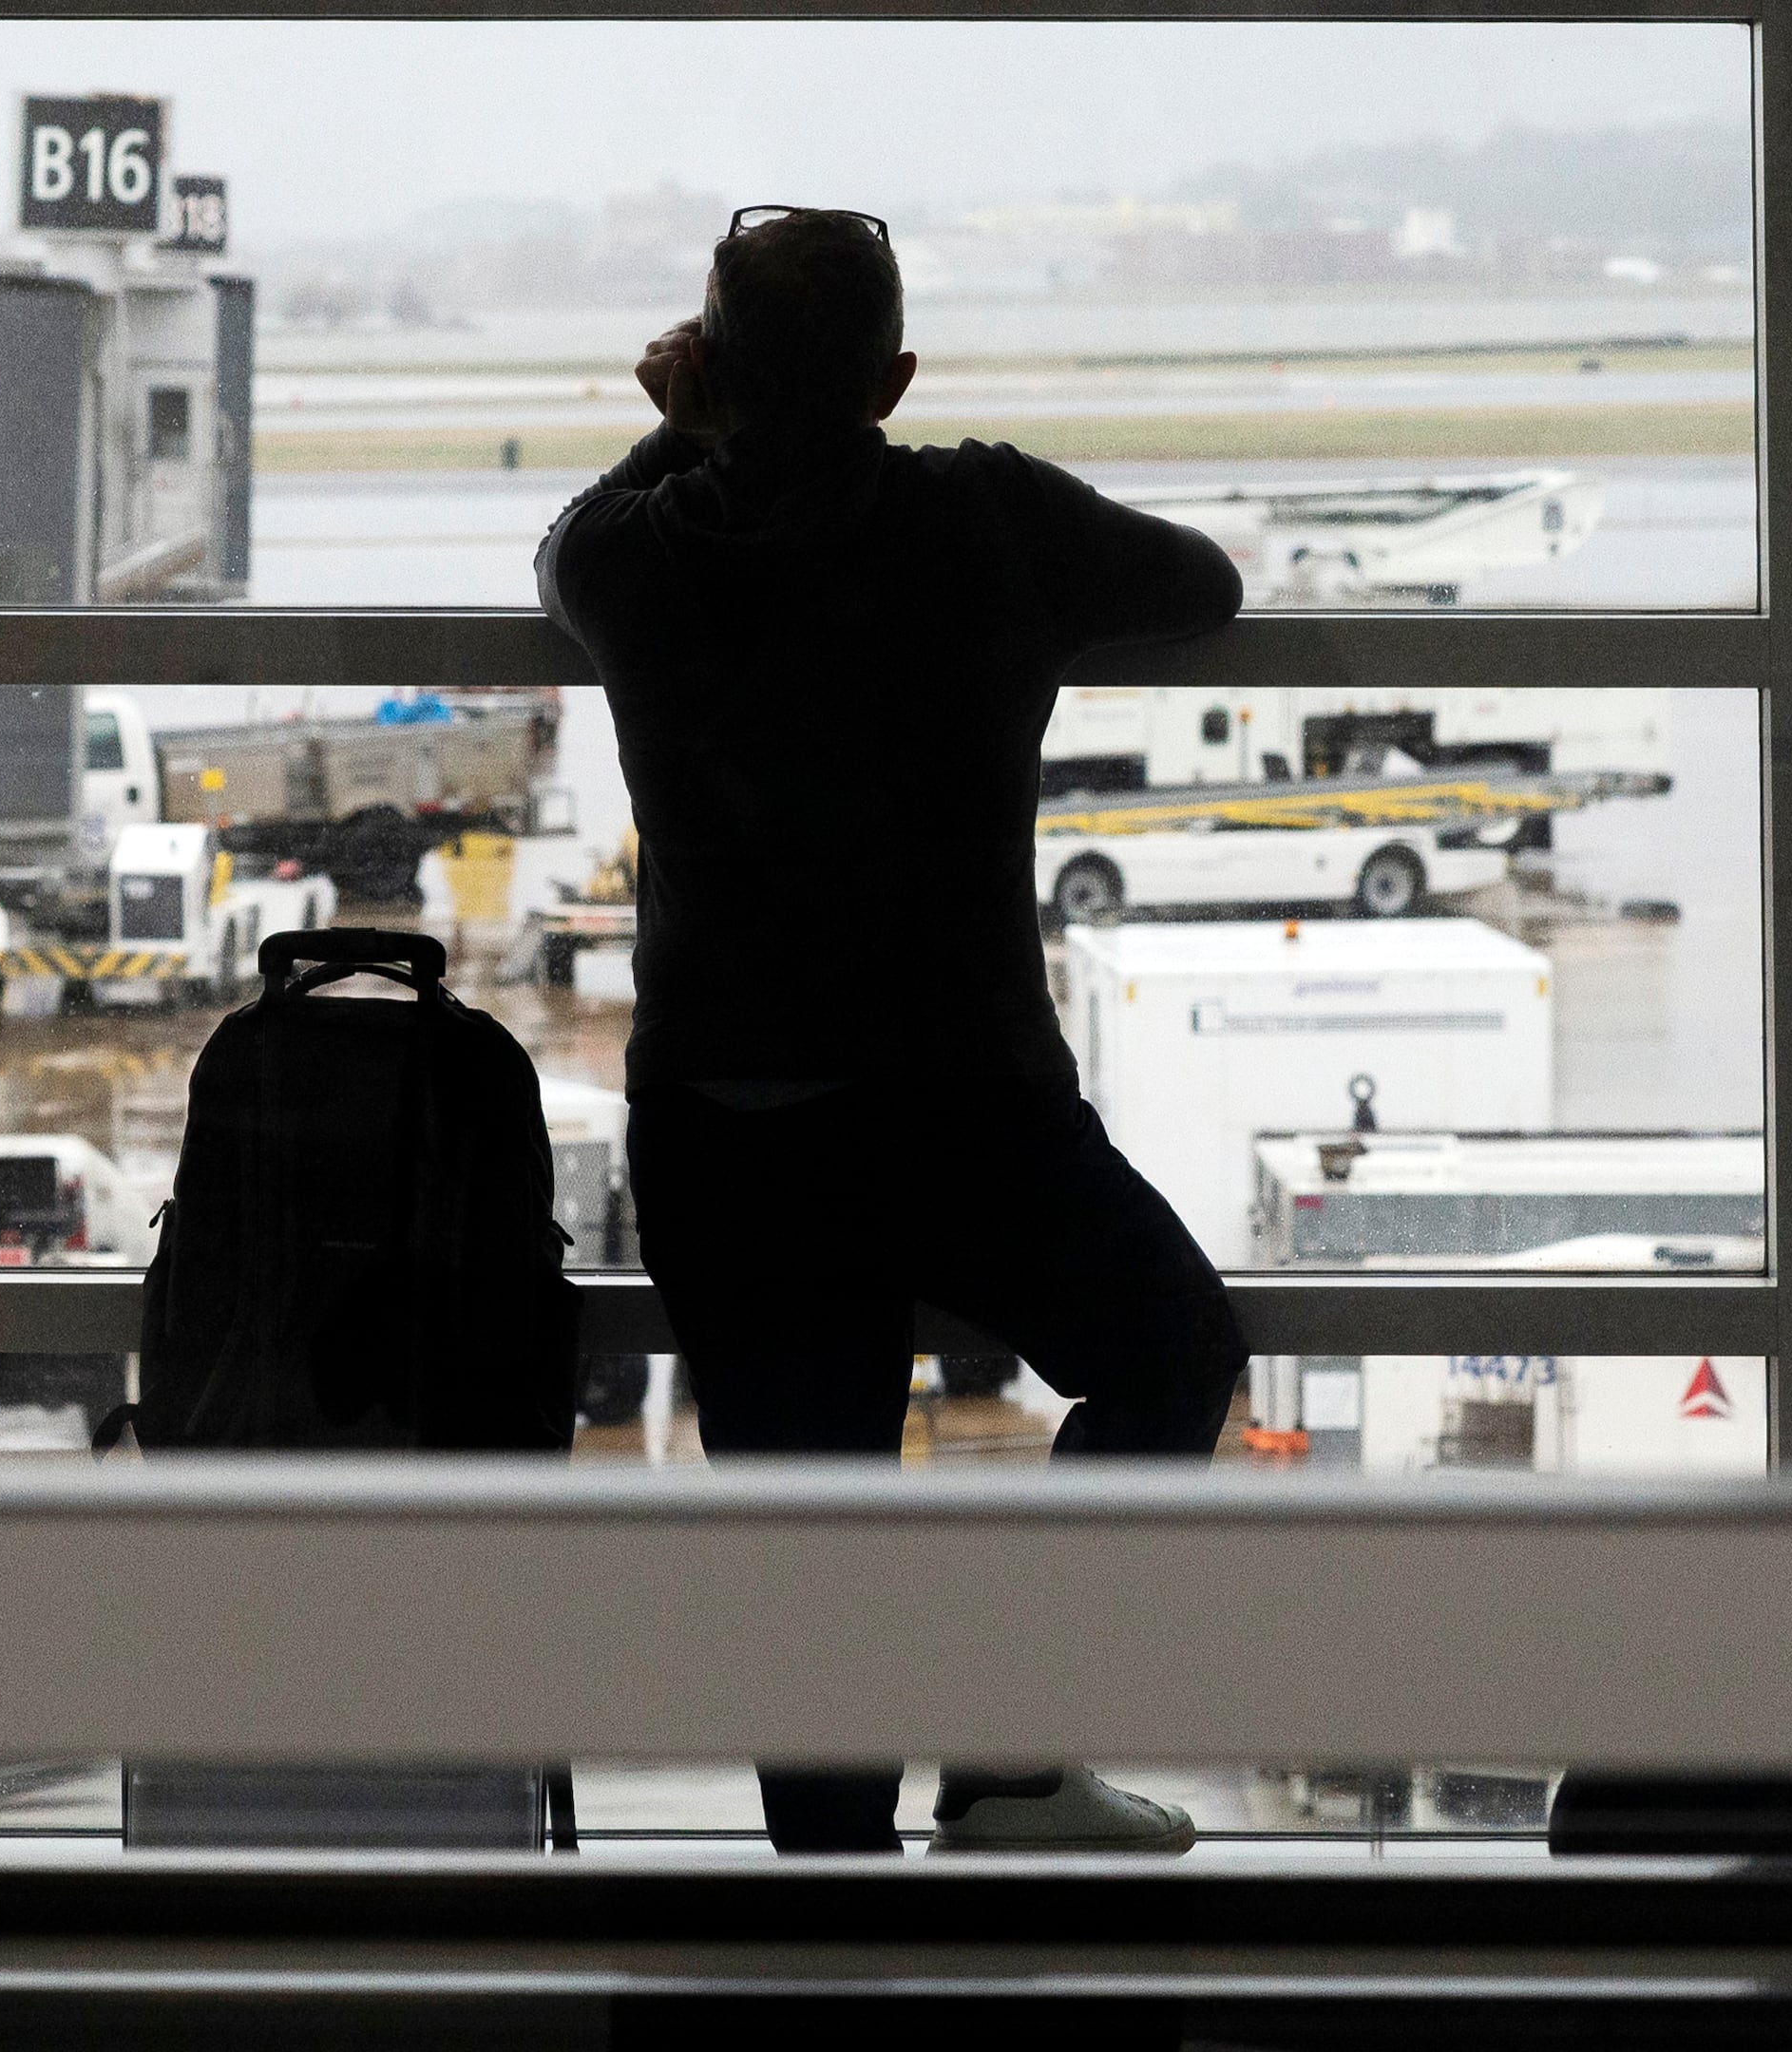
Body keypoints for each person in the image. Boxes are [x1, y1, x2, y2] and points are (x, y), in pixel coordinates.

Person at [537, 205, 1249, 1854]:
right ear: (897, 377)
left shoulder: (644, 557)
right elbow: (1205, 588)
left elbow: (563, 548)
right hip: (965, 1103)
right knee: (1173, 1355)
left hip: (734, 1120)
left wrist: (675, 427)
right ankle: (1009, 1754)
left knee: (814, 1547)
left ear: (709, 363)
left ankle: (835, 1915)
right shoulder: (987, 518)